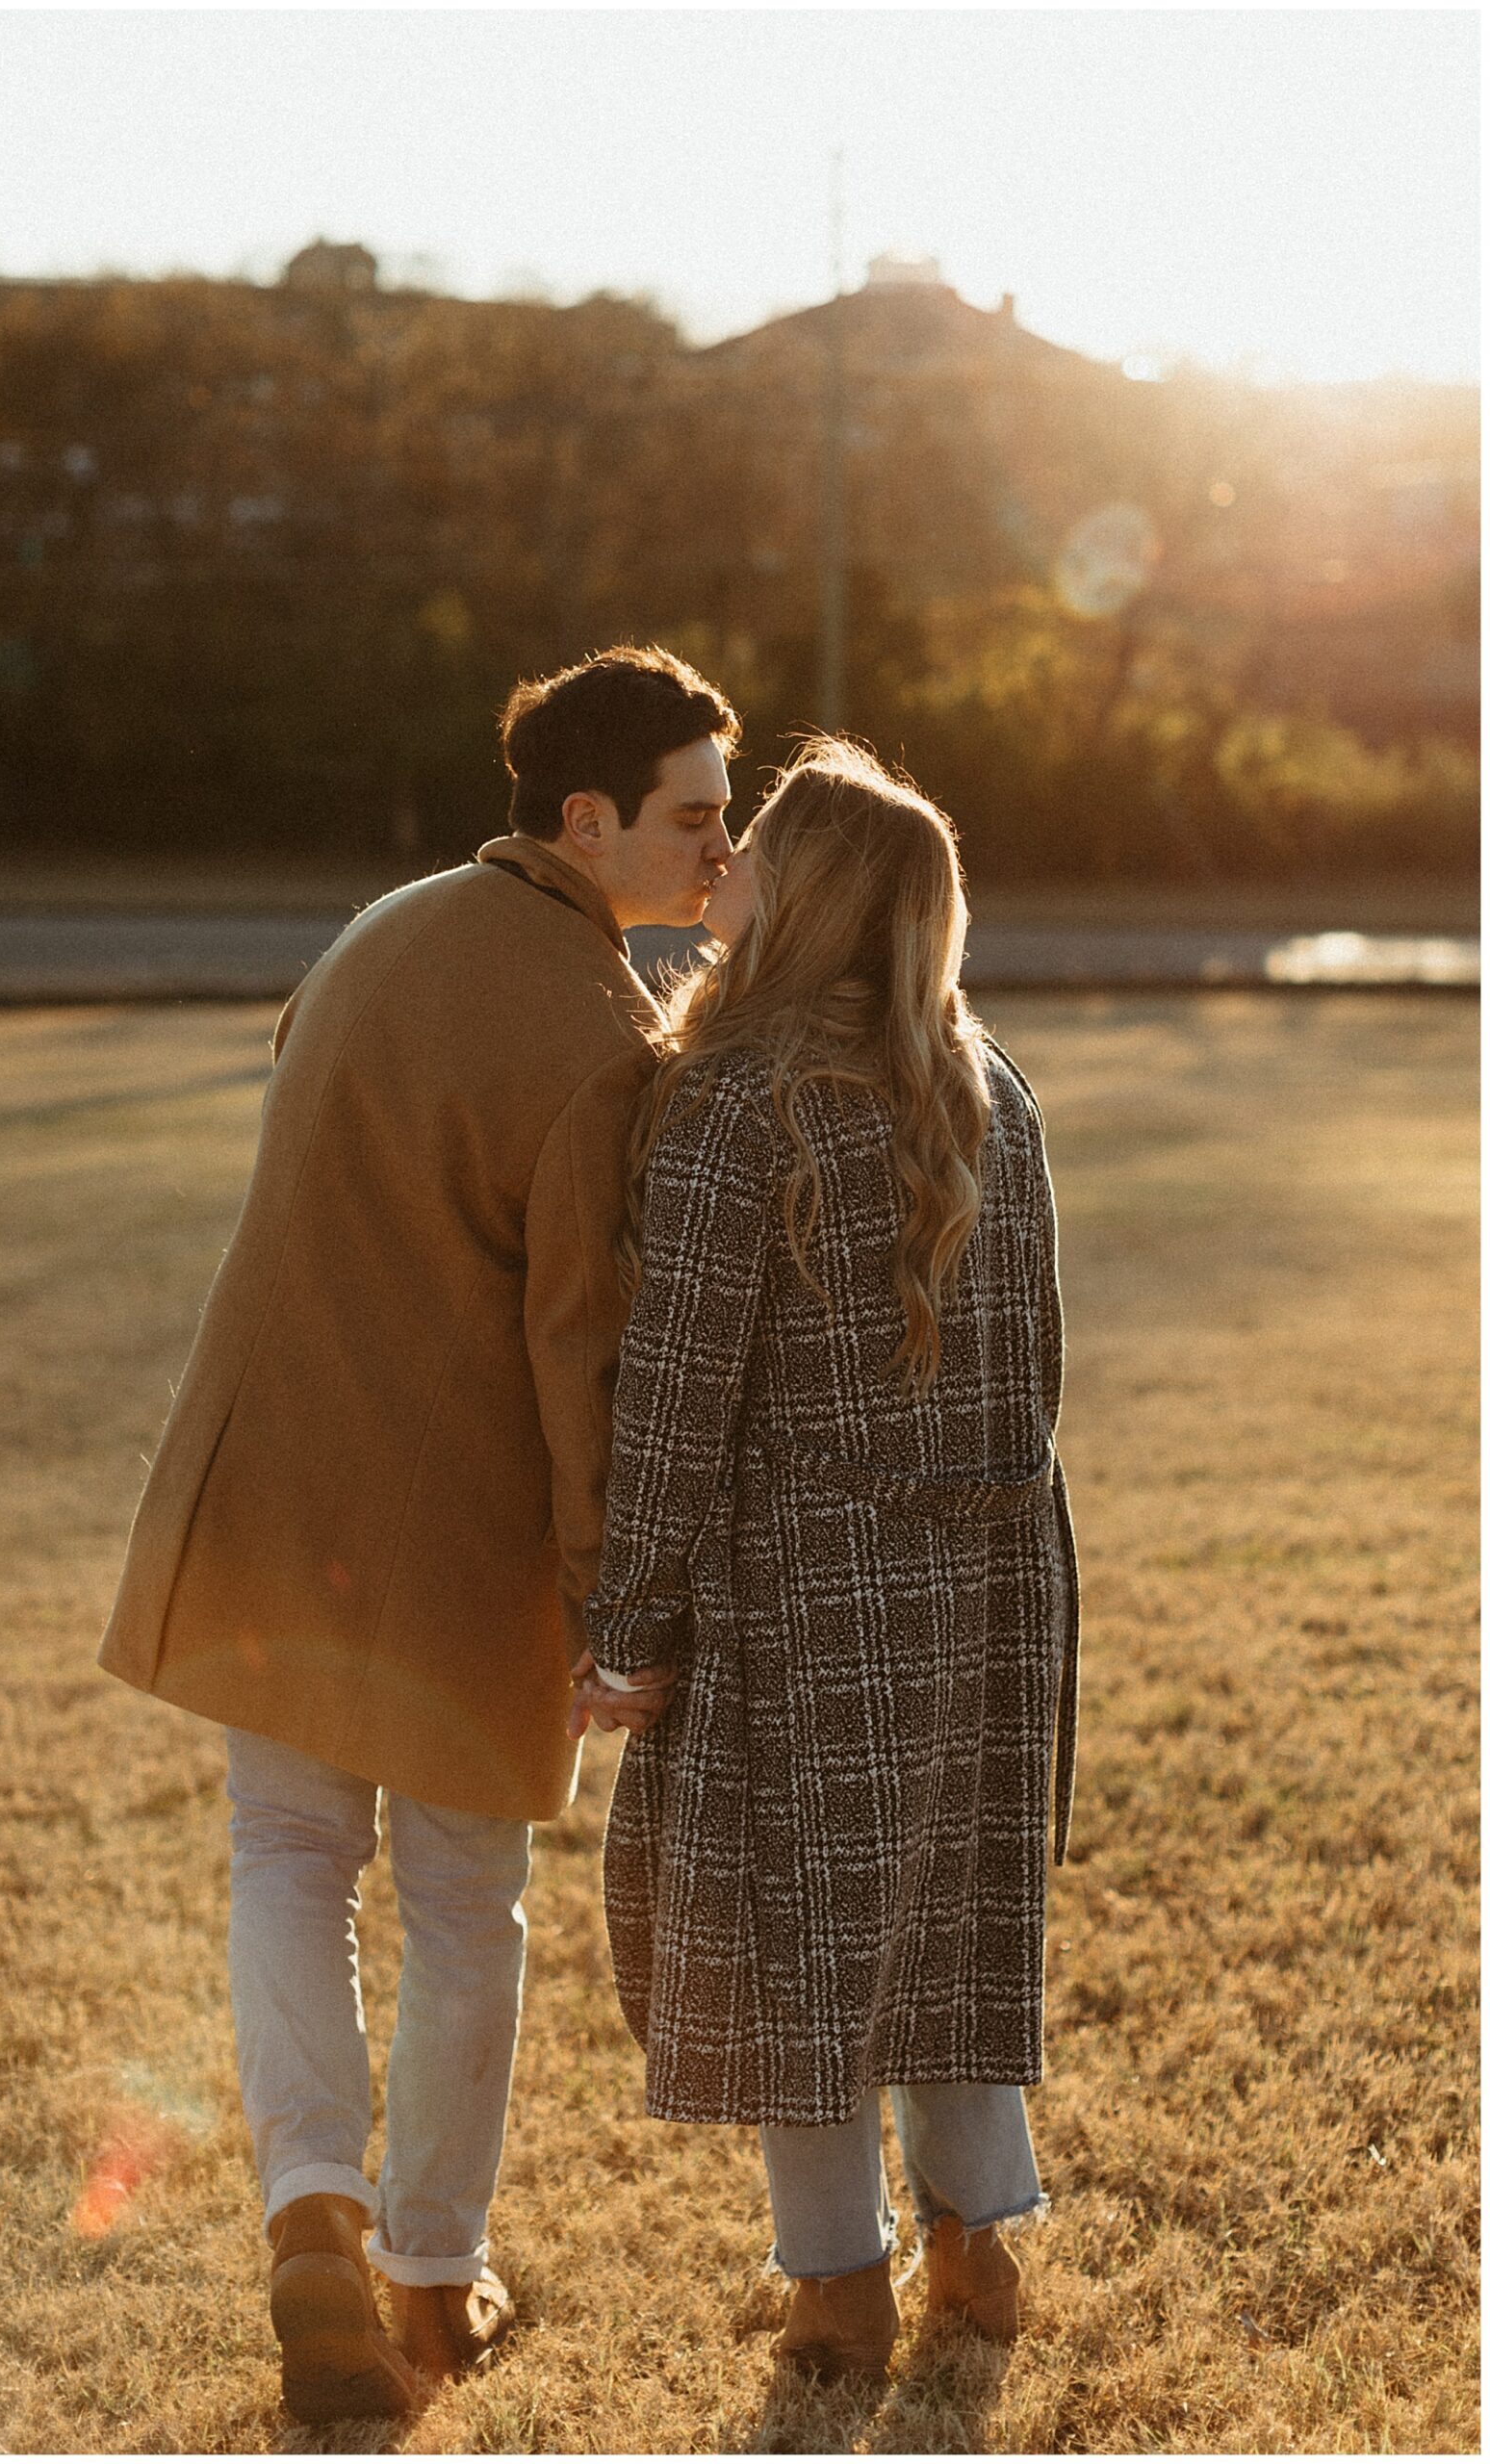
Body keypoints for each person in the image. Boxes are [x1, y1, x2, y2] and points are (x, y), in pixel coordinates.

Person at [98, 645, 732, 2425]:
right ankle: (434, 2283)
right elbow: (583, 1351)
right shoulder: (605, 1036)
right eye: (694, 819)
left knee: (285, 1860)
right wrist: (621, 1596)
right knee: (465, 1907)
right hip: (449, 1538)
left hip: (270, 1489)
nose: (719, 852)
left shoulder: (373, 931)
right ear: (589, 820)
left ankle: (317, 2204)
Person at [570, 736, 1080, 2384]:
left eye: (760, 848)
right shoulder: (988, 1084)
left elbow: (673, 1390)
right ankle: (976, 2246)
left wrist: (626, 1619)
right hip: (997, 1586)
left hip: (805, 1586)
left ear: (817, 892)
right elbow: (1038, 1368)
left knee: (797, 1944)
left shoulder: (738, 1100)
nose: (732, 874)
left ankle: (837, 2289)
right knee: (943, 1910)